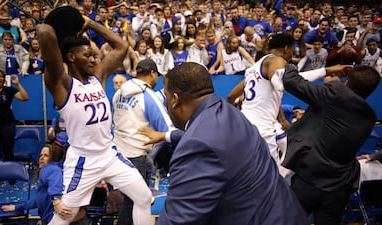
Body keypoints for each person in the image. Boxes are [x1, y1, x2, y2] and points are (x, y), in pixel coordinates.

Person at [155, 62, 309, 225]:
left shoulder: (197, 145)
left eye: (166, 96)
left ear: (175, 100)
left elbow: (177, 220)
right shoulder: (231, 113)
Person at [36, 13, 152, 225]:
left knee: (144, 198)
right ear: (71, 57)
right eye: (87, 55)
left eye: (93, 55)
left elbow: (120, 47)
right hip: (83, 160)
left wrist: (89, 24)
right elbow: (44, 33)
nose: (93, 58)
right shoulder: (62, 85)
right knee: (67, 216)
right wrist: (58, 24)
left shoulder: (97, 78)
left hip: (109, 154)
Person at [227, 33, 351, 176]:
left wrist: (326, 70)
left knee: (244, 175)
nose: (293, 55)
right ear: (286, 49)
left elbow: (231, 96)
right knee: (272, 179)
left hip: (242, 126)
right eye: (293, 50)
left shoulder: (254, 68)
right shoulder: (277, 60)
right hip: (261, 130)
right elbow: (284, 84)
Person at [282, 64, 380, 225]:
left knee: (284, 220)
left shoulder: (334, 94)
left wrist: (290, 65)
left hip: (309, 182)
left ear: (346, 81)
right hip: (339, 188)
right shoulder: (369, 119)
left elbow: (290, 80)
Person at [112, 59, 174, 225]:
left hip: (117, 154)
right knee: (139, 202)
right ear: (153, 73)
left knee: (130, 201)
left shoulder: (119, 92)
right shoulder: (147, 95)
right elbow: (167, 128)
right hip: (136, 156)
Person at [1, 143, 86, 225]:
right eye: (41, 155)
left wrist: (57, 201)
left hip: (61, 218)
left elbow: (55, 186)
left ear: (54, 158)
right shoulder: (55, 171)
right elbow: (40, 200)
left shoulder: (51, 168)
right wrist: (17, 207)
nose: (41, 158)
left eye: (46, 156)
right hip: (60, 218)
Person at [0, 69, 29, 167]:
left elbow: (25, 97)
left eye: (1, 76)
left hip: (7, 124)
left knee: (8, 150)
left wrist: (18, 84)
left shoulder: (9, 90)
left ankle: (11, 176)